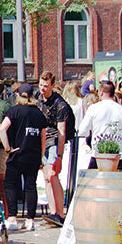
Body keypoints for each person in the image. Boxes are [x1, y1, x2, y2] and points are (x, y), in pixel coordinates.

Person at [0, 84, 47, 231]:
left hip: (17, 153)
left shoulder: (14, 111)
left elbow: (2, 129)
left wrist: (7, 147)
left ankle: (12, 218)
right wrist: (41, 155)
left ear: (18, 95)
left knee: (10, 184)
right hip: (33, 154)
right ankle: (30, 220)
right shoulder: (38, 113)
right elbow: (43, 136)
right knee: (31, 186)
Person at [37, 70, 74, 220]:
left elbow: (61, 132)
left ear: (52, 86)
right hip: (42, 139)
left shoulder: (60, 105)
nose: (42, 88)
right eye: (40, 85)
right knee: (46, 177)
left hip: (53, 140)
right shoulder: (38, 97)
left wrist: (59, 155)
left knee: (53, 175)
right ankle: (53, 213)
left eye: (45, 86)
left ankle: (60, 213)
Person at [79, 79, 122, 167]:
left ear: (101, 92)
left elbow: (82, 131)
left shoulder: (94, 108)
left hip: (98, 156)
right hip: (118, 157)